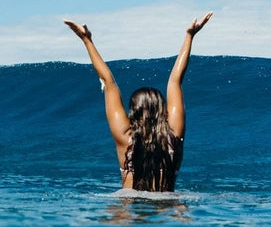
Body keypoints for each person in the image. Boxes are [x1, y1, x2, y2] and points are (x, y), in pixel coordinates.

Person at [64, 12, 213, 191]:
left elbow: (109, 83)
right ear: (163, 111)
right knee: (180, 214)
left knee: (118, 215)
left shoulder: (125, 139)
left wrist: (87, 41)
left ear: (133, 112)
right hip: (168, 204)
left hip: (128, 202)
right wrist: (190, 36)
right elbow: (175, 80)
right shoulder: (174, 137)